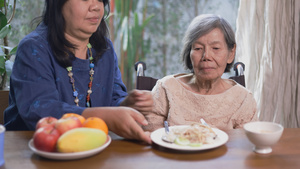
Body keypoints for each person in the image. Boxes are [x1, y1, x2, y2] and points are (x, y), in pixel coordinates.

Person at [4, 0, 152, 144]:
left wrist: (127, 103)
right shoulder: (33, 48)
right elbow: (41, 111)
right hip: (32, 154)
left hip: (92, 148)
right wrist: (107, 117)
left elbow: (115, 96)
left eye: (100, 0)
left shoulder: (105, 48)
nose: (96, 7)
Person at [142, 14, 258, 132]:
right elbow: (150, 135)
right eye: (198, 48)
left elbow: (245, 145)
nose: (206, 56)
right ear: (189, 53)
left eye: (216, 48)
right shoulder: (165, 89)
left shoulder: (243, 99)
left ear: (231, 53)